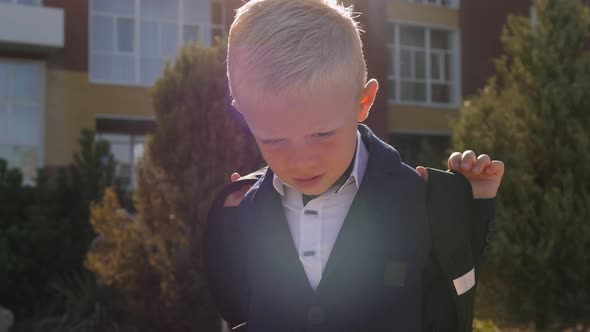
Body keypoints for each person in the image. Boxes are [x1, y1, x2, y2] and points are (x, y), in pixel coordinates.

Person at [204, 0, 504, 331]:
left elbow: (453, 281)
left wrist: (472, 204)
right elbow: (239, 306)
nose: (302, 160)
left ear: (363, 102)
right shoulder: (243, 209)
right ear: (243, 114)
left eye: (322, 134)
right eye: (273, 140)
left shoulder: (418, 197)